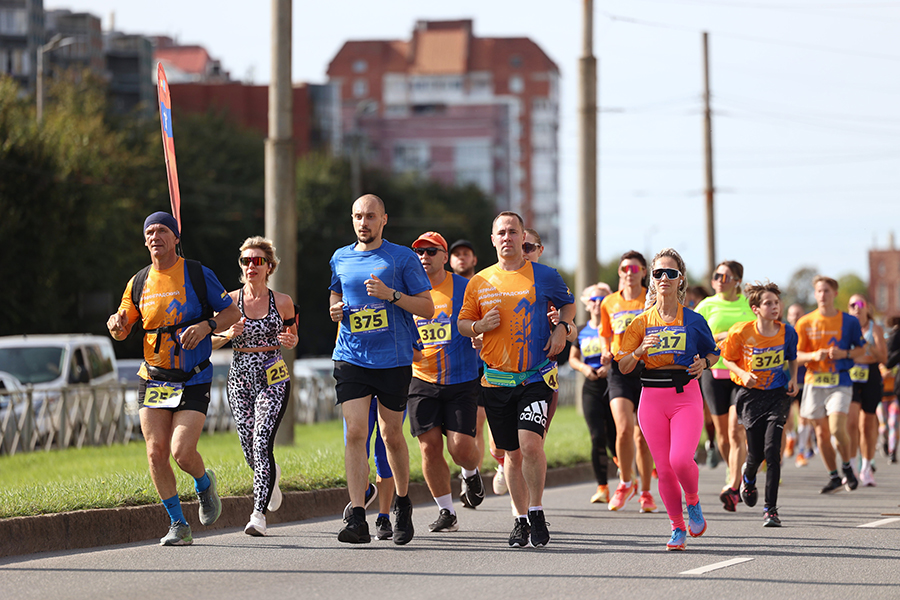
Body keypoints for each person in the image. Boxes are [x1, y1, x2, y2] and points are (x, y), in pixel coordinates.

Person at [107, 212, 240, 546]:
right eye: (150, 232)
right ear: (145, 240)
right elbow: (123, 328)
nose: (156, 236)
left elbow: (232, 313)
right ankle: (178, 524)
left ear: (176, 237)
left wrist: (207, 325)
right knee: (155, 452)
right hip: (153, 378)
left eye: (163, 230)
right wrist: (116, 325)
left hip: (193, 376)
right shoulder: (138, 282)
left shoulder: (195, 273)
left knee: (182, 452)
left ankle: (203, 484)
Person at [459, 211, 574, 548]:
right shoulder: (479, 282)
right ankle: (520, 519)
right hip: (495, 380)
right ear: (492, 239)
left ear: (522, 238)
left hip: (534, 376)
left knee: (530, 443)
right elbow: (464, 324)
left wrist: (561, 329)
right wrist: (479, 327)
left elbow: (568, 307)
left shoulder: (544, 275)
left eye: (513, 232)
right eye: (501, 233)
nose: (507, 238)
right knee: (510, 453)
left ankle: (536, 511)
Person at [328, 194, 434, 545]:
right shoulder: (340, 257)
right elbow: (335, 293)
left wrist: (391, 295)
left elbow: (428, 308)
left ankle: (402, 503)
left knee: (390, 435)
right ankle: (358, 516)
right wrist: (336, 308)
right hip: (351, 356)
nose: (364, 223)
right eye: (358, 216)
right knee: (356, 432)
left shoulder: (401, 257)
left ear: (383, 219)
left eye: (370, 216)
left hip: (393, 358)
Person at [616, 248, 719, 551]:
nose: (664, 278)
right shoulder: (641, 322)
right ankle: (677, 527)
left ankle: (694, 501)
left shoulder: (694, 320)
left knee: (679, 459)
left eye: (670, 273)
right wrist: (638, 351)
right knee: (663, 466)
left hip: (685, 395)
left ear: (680, 279)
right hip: (652, 398)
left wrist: (706, 363)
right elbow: (623, 365)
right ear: (652, 279)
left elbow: (713, 351)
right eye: (658, 272)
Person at [212, 237, 298, 536]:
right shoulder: (229, 300)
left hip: (272, 377)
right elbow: (208, 338)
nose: (251, 266)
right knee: (250, 448)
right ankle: (270, 479)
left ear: (269, 266)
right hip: (239, 379)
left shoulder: (282, 301)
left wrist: (290, 340)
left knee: (262, 443)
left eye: (257, 261)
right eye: (245, 261)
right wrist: (225, 335)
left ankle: (257, 515)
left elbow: (292, 333)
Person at [408, 231, 485, 532]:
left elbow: (487, 319)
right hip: (421, 377)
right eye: (419, 252)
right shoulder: (408, 289)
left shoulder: (466, 287)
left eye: (431, 252)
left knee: (460, 447)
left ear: (444, 256)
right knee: (428, 447)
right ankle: (446, 511)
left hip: (461, 378)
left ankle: (470, 470)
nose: (424, 257)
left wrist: (481, 336)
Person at [720, 282, 798, 527]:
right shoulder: (741, 332)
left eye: (776, 302)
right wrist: (742, 375)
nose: (775, 307)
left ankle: (770, 509)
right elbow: (726, 358)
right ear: (755, 308)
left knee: (773, 452)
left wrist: (794, 378)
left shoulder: (787, 332)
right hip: (751, 397)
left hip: (777, 395)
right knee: (755, 455)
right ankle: (748, 476)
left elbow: (792, 357)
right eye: (768, 303)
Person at [795, 276, 867, 494]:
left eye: (827, 291)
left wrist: (844, 353)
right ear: (815, 294)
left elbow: (861, 349)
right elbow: (795, 356)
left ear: (835, 294)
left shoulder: (849, 321)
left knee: (836, 427)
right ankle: (834, 476)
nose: (823, 295)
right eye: (819, 291)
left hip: (840, 381)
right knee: (822, 435)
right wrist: (813, 355)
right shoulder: (805, 322)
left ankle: (847, 466)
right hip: (814, 382)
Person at [600, 251, 658, 513]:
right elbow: (605, 333)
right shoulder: (609, 303)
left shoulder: (652, 301)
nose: (628, 273)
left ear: (644, 272)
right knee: (623, 428)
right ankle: (625, 482)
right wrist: (604, 349)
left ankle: (645, 491)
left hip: (646, 369)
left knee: (642, 436)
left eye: (634, 269)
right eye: (624, 268)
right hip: (620, 369)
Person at [695, 260, 755, 512]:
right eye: (716, 275)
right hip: (713, 372)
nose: (719, 279)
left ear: (737, 281)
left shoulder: (748, 305)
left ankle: (734, 483)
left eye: (725, 276)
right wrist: (723, 336)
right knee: (721, 433)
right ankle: (734, 472)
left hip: (740, 374)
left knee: (735, 430)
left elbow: (756, 333)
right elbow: (697, 333)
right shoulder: (707, 305)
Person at [569, 283, 616, 503]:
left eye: (601, 300)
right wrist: (584, 368)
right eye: (593, 300)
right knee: (597, 436)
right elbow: (573, 358)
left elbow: (622, 352)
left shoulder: (613, 329)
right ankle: (602, 487)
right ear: (587, 304)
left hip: (613, 385)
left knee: (615, 437)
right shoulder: (582, 329)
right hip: (591, 387)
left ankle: (627, 475)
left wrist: (610, 367)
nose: (597, 305)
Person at [846, 294, 886, 486]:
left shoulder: (874, 329)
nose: (857, 308)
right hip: (852, 377)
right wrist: (859, 357)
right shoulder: (845, 328)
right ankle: (851, 466)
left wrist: (868, 347)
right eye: (852, 305)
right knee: (852, 422)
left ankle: (867, 467)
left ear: (867, 307)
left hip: (870, 376)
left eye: (860, 304)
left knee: (867, 425)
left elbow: (884, 358)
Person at [786, 303, 813, 467]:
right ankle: (790, 437)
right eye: (792, 314)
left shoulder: (809, 333)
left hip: (806, 380)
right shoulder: (783, 333)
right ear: (788, 317)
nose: (795, 317)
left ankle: (801, 452)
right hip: (788, 380)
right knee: (788, 417)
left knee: (804, 417)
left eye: (798, 314)